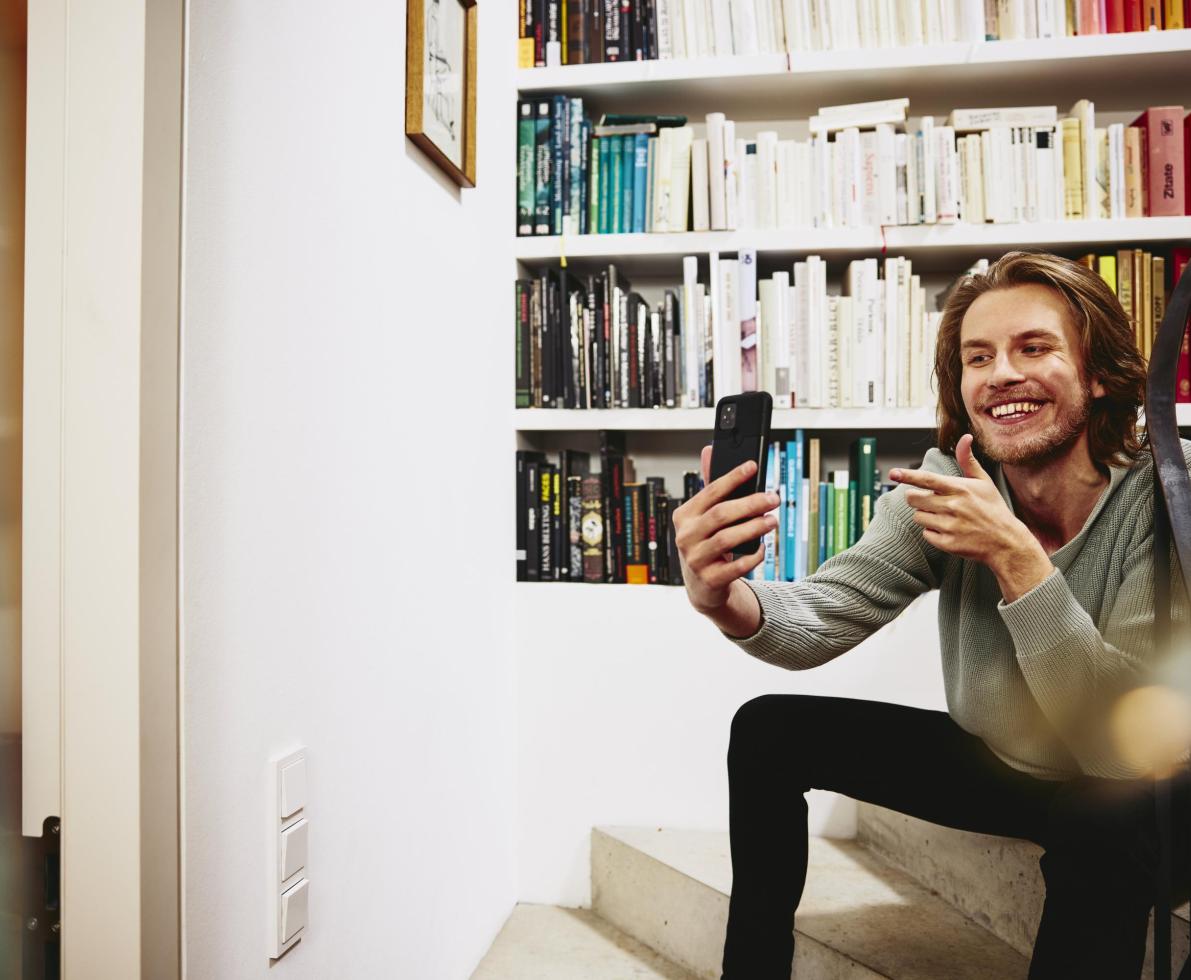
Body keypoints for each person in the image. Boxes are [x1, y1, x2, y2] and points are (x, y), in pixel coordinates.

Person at [673, 251, 1191, 979]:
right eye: (977, 357)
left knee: (1097, 817)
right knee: (767, 729)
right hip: (1006, 762)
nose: (1000, 374)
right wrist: (722, 597)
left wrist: (1017, 561)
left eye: (1032, 348)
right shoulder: (947, 485)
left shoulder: (1162, 494)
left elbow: (1114, 750)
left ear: (1098, 374)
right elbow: (827, 610)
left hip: (1144, 783)